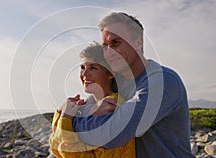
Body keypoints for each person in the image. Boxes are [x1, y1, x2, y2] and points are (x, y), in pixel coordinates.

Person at [68, 12, 195, 158]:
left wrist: (69, 121)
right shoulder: (116, 83)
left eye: (116, 43)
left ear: (138, 42)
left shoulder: (163, 81)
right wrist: (86, 111)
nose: (108, 53)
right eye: (105, 46)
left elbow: (112, 135)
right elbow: (85, 108)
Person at [49, 42, 136, 158]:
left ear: (110, 73)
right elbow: (55, 147)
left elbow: (69, 153)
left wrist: (65, 119)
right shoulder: (85, 107)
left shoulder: (113, 108)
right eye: (82, 68)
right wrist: (60, 112)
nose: (84, 74)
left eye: (93, 68)